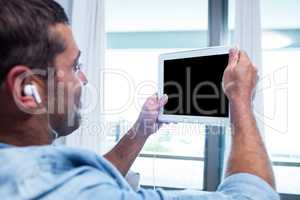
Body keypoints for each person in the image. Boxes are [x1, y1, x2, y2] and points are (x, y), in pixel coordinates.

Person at [0, 0, 279, 199]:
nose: (83, 79)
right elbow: (253, 196)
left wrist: (141, 131)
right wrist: (240, 101)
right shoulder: (58, 188)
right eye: (74, 67)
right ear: (28, 90)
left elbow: (94, 176)